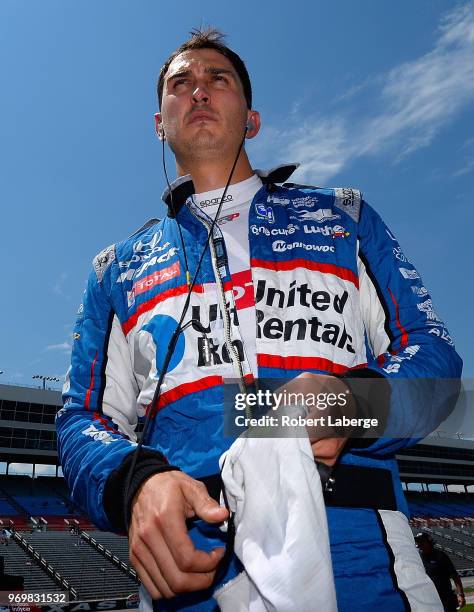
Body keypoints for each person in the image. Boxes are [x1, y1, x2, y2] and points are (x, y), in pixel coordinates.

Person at [56, 27, 463, 611]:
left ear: (251, 119)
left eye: (217, 79)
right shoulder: (114, 270)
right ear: (158, 122)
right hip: (189, 563)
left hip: (357, 547)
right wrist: (134, 482)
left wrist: (353, 401)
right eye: (181, 83)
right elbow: (82, 420)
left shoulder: (343, 217)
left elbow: (436, 362)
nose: (199, 91)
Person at [415, 533, 466, 611]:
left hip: (446, 599)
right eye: (418, 541)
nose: (419, 544)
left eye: (422, 541)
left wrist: (461, 595)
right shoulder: (417, 559)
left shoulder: (441, 556)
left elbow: (455, 576)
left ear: (429, 542)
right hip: (428, 600)